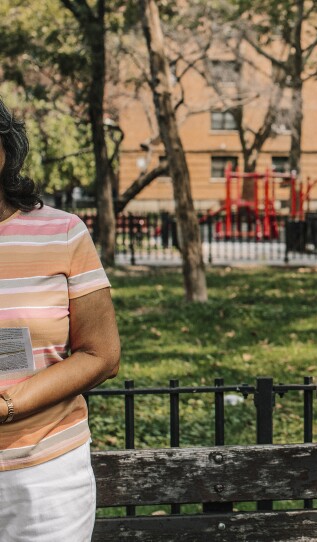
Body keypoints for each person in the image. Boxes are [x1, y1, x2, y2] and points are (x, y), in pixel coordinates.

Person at [0, 97, 120, 540]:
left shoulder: (62, 232)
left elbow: (101, 355)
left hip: (45, 477)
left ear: (5, 151)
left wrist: (9, 405)